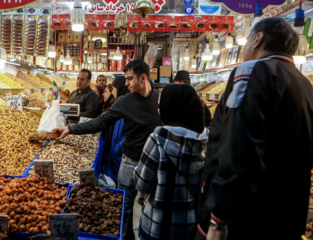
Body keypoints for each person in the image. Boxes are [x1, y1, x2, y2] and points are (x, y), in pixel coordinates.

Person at [196, 17, 313, 240]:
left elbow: (238, 148)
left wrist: (218, 218)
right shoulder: (304, 83)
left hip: (247, 217)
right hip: (286, 216)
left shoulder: (253, 71)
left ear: (257, 39)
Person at [53, 60, 162, 240]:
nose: (126, 84)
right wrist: (70, 130)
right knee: (125, 207)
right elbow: (100, 122)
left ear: (143, 78)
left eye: (129, 79)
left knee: (154, 206)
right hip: (130, 162)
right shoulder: (124, 101)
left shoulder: (159, 100)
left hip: (154, 163)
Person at [134, 84, 209, 240]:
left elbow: (142, 184)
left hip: (158, 226)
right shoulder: (208, 141)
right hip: (190, 227)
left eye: (161, 105)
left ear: (172, 107)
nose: (158, 110)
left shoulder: (159, 139)